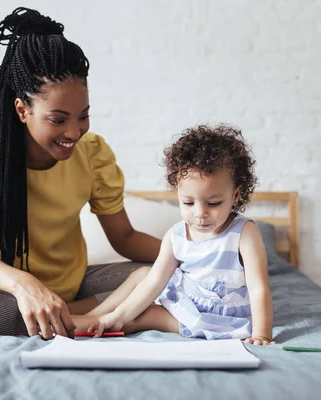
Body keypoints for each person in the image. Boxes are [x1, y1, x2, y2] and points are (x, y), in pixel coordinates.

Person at [0, 7, 160, 339]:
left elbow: (125, 238)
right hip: (3, 292)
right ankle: (94, 316)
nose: (74, 132)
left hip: (74, 286)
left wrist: (195, 252)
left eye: (83, 116)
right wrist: (24, 284)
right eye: (58, 119)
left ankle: (65, 317)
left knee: (168, 276)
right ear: (22, 110)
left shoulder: (93, 153)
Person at [79, 124, 275, 344]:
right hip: (190, 300)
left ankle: (92, 323)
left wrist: (262, 334)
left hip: (223, 316)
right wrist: (117, 314)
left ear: (235, 195)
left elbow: (258, 287)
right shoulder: (176, 235)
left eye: (213, 203)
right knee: (144, 275)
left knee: (143, 316)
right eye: (188, 203)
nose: (200, 213)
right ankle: (100, 317)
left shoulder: (244, 232)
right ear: (177, 194)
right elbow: (154, 282)